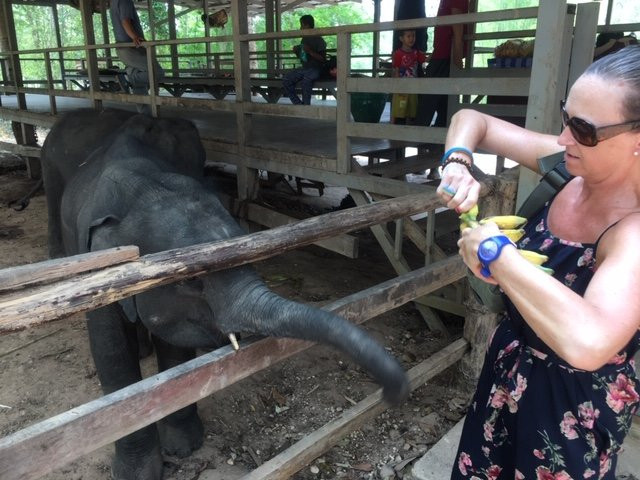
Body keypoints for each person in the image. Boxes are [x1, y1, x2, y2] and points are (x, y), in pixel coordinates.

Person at [437, 45, 640, 479]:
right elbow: (473, 120)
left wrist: (496, 255)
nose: (564, 138)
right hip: (505, 381)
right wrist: (458, 161)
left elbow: (590, 342)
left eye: (584, 130)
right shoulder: (570, 164)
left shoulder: (633, 230)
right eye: (567, 117)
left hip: (570, 415)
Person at [416, 0, 469, 127]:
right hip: (442, 53)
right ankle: (437, 137)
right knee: (442, 100)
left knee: (428, 100)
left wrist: (457, 50)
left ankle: (417, 136)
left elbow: (456, 20)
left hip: (445, 55)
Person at [110, 0, 164, 100]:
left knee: (139, 85)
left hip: (123, 48)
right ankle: (127, 79)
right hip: (131, 48)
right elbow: (125, 21)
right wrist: (135, 37)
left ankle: (144, 113)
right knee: (157, 72)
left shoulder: (113, 2)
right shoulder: (125, 1)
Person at [282, 15, 326, 105]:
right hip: (305, 68)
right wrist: (297, 52)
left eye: (302, 25)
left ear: (308, 25)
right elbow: (303, 59)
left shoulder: (319, 39)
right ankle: (298, 104)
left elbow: (323, 60)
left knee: (306, 80)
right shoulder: (304, 39)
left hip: (316, 69)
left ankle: (306, 105)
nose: (300, 28)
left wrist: (310, 51)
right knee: (286, 79)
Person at [391, 30, 428, 124]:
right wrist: (396, 87)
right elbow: (396, 70)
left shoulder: (416, 53)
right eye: (408, 36)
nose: (412, 38)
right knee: (399, 109)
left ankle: (408, 130)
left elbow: (426, 59)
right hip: (401, 87)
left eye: (413, 36)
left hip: (413, 87)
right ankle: (394, 129)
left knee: (411, 110)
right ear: (401, 39)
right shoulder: (398, 54)